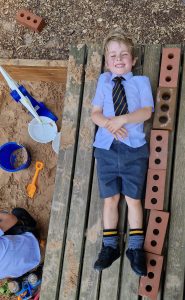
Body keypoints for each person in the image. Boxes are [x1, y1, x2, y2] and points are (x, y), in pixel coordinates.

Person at [91, 29, 154, 276]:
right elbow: (95, 113)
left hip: (134, 149)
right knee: (110, 198)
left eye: (124, 55)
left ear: (133, 60)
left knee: (133, 199)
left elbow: (146, 112)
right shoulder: (103, 82)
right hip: (106, 148)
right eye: (114, 55)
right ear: (107, 62)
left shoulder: (140, 82)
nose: (119, 59)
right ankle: (110, 247)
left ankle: (135, 248)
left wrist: (122, 119)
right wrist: (109, 124)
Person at [0, 208, 41, 279]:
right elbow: (12, 219)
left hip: (32, 264)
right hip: (34, 242)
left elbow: (7, 275)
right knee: (15, 213)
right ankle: (30, 226)